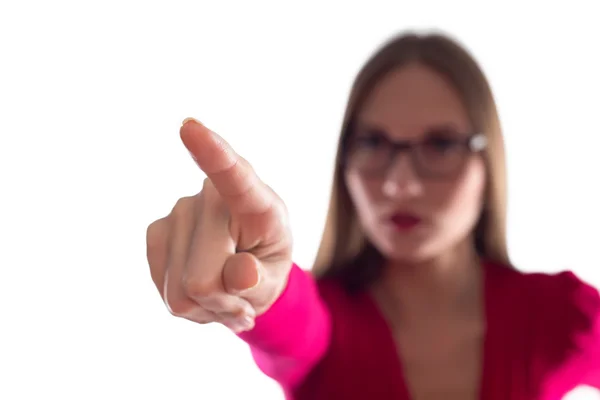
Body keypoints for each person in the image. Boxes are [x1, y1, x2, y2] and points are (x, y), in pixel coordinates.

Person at [145, 32, 600, 399]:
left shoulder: (559, 314)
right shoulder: (329, 322)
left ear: (490, 163)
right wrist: (263, 285)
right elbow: (291, 318)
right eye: (374, 144)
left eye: (440, 144)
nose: (400, 183)